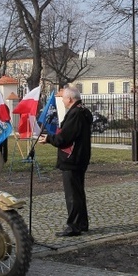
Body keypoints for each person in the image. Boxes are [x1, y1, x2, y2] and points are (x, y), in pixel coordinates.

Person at [38, 86, 93, 237]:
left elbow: (65, 137)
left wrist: (49, 139)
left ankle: (74, 226)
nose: (62, 101)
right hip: (80, 157)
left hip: (72, 158)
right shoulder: (83, 111)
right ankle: (82, 223)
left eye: (63, 98)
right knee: (78, 192)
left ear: (70, 99)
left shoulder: (75, 113)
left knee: (72, 194)